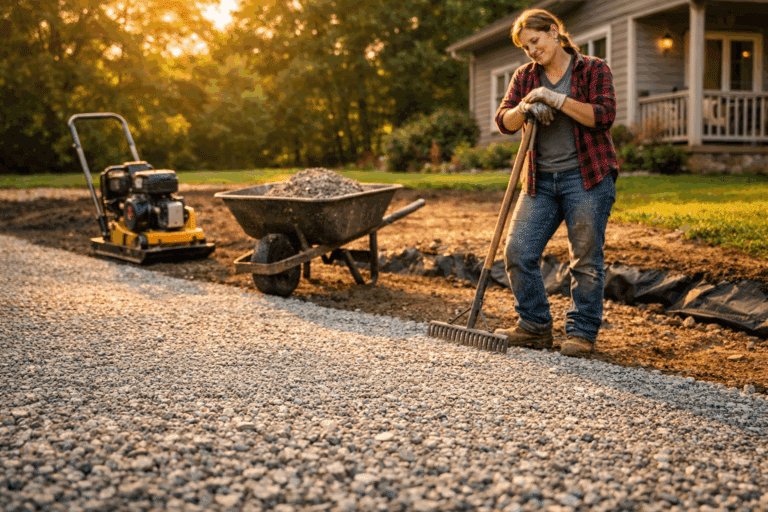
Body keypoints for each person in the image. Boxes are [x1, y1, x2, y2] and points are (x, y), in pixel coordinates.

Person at [493, 8, 619, 358]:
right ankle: (534, 326)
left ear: (553, 32)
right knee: (518, 251)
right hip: (540, 181)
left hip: (587, 177)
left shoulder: (593, 68)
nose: (531, 50)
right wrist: (526, 105)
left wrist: (556, 99)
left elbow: (604, 116)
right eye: (525, 47)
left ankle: (581, 332)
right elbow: (504, 121)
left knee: (585, 260)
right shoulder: (524, 76)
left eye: (534, 41)